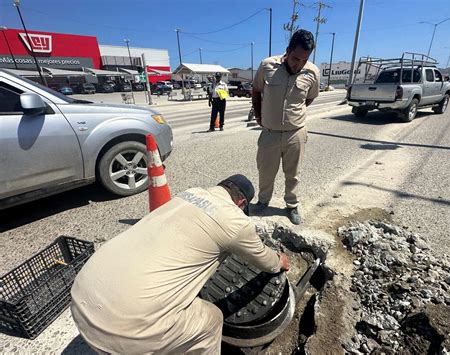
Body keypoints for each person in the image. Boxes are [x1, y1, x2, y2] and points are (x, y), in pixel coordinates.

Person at [70, 174, 290, 354]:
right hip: (123, 335)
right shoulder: (236, 220)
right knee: (212, 319)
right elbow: (266, 262)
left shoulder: (191, 193)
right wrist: (279, 260)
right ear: (242, 203)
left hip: (81, 299)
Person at [251, 29, 320, 225]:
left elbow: (310, 98)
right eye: (295, 58)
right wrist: (259, 115)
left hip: (295, 134)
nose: (299, 64)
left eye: (304, 60)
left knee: (293, 174)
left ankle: (292, 206)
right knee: (265, 171)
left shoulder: (312, 72)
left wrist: (293, 115)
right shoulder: (267, 66)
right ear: (287, 51)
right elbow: (256, 91)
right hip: (270, 133)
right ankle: (263, 202)